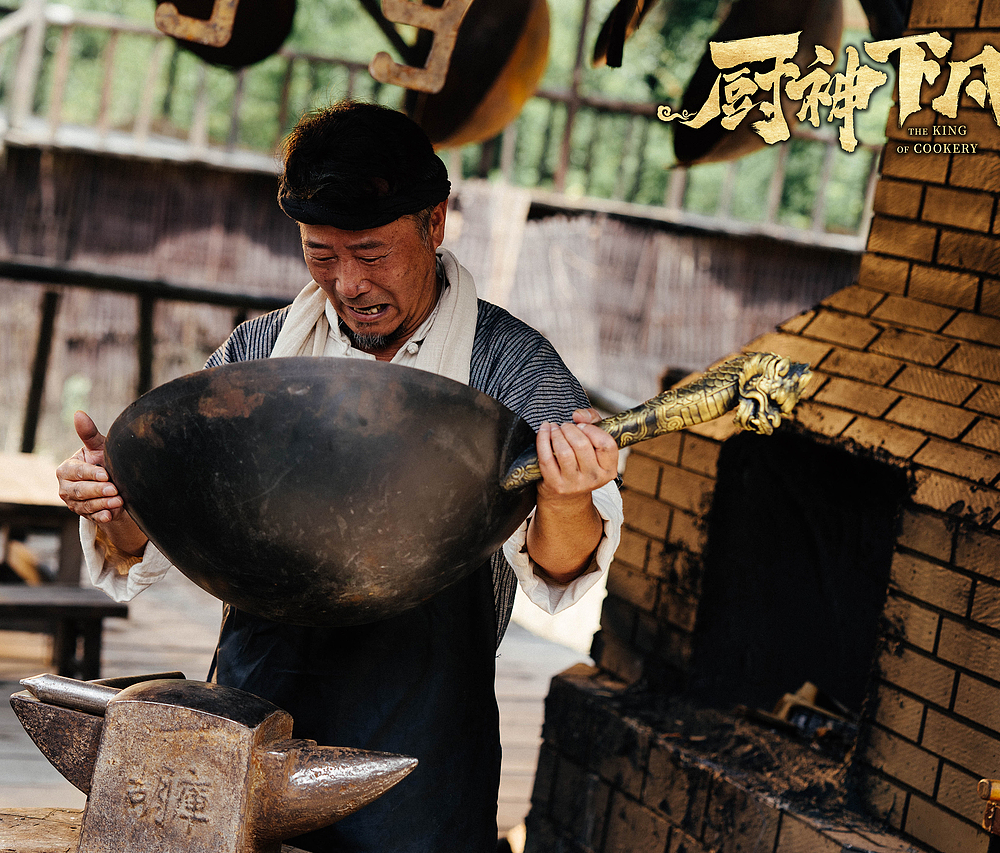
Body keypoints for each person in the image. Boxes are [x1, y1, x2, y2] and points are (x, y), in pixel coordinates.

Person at [56, 100, 622, 852]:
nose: (347, 283)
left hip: (421, 729)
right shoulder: (258, 355)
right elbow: (154, 540)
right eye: (321, 255)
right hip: (253, 699)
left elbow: (563, 564)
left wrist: (568, 495)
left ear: (435, 222)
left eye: (371, 252)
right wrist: (114, 504)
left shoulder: (510, 366)